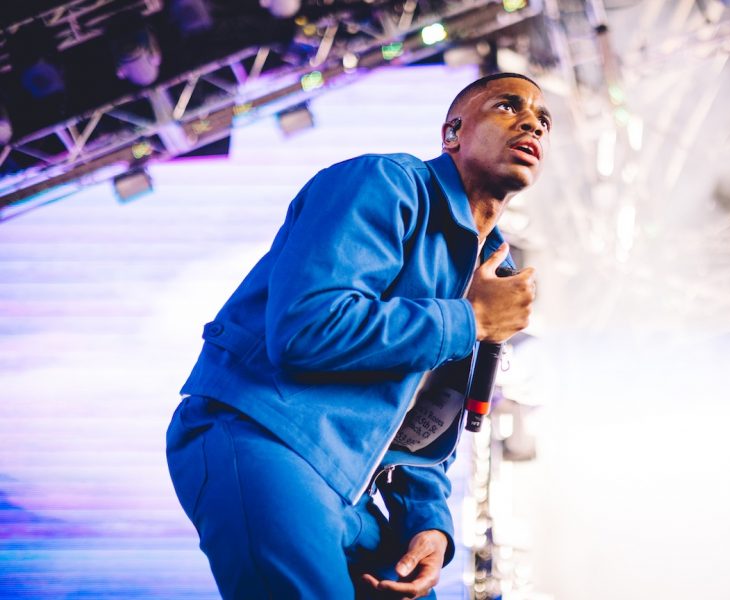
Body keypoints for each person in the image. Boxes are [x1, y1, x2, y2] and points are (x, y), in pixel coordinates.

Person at [165, 71, 551, 599]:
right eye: (508, 106)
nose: (532, 121)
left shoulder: (488, 268)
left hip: (355, 489)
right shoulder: (387, 183)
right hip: (266, 436)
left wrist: (426, 521)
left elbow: (423, 416)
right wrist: (470, 321)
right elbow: (307, 328)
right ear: (452, 133)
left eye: (542, 119)